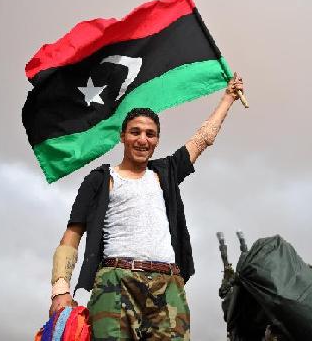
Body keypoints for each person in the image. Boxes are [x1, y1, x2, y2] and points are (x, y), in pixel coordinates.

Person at [49, 74, 245, 340]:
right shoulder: (99, 179)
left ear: (157, 141)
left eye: (150, 134)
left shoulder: (166, 171)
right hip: (115, 284)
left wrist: (227, 98)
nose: (143, 139)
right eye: (135, 132)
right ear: (123, 136)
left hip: (168, 287)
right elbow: (72, 235)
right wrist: (60, 289)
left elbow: (202, 139)